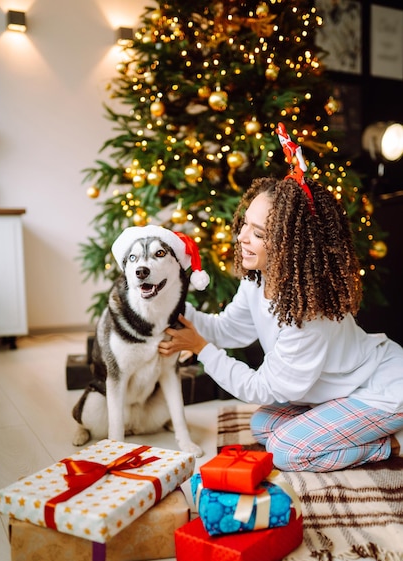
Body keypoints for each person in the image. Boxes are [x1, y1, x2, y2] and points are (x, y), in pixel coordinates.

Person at [158, 130, 403, 472]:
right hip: (337, 391)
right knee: (263, 427)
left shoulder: (309, 314)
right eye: (245, 225)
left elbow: (261, 387)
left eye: (258, 233)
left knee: (286, 450)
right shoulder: (259, 280)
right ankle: (347, 428)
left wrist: (201, 349)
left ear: (291, 244)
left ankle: (390, 443)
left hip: (381, 391)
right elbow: (230, 330)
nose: (242, 237)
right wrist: (173, 309)